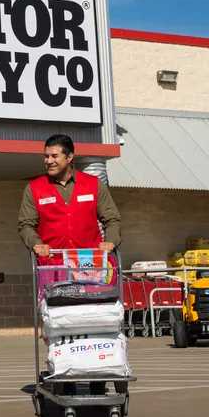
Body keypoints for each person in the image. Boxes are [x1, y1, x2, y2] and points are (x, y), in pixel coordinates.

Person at [17, 134, 122, 395]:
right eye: (46, 156)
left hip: (91, 267)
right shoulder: (35, 188)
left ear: (69, 157)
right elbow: (25, 225)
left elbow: (112, 219)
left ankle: (98, 378)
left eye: (54, 156)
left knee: (93, 320)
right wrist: (35, 243)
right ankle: (64, 376)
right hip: (53, 266)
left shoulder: (93, 185)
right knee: (59, 323)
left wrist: (110, 242)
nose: (48, 161)